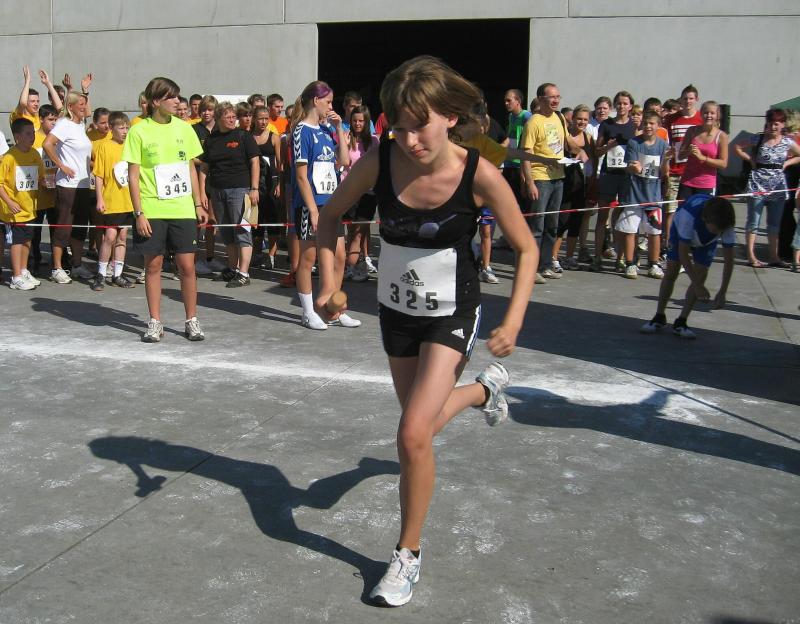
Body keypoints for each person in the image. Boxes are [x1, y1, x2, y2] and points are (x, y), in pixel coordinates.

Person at [315, 55, 538, 608]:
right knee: (419, 428)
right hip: (396, 314)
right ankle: (484, 391)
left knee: (413, 433)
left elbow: (527, 248)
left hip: (452, 314)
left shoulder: (479, 173)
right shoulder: (379, 160)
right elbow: (329, 216)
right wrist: (331, 282)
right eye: (399, 126)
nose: (410, 139)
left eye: (421, 125)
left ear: (450, 117)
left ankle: (407, 555)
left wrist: (512, 320)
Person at [122, 76, 208, 342]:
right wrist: (139, 213)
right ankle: (155, 322)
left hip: (182, 209)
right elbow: (133, 176)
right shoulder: (139, 131)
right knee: (153, 265)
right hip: (152, 209)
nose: (177, 102)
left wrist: (198, 202)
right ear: (156, 101)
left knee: (187, 266)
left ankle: (191, 320)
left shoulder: (185, 128)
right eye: (171, 97)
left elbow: (190, 168)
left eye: (178, 96)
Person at [290, 80, 359, 330]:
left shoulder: (326, 130)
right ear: (315, 101)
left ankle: (334, 308)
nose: (331, 106)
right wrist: (312, 210)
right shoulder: (301, 131)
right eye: (328, 102)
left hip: (331, 205)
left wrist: (339, 129)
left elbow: (344, 161)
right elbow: (301, 176)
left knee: (339, 257)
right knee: (308, 258)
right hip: (311, 205)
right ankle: (308, 311)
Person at [640, 195, 735, 339]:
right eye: (716, 231)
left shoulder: (725, 223)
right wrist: (697, 286)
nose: (720, 233)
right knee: (672, 271)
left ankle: (681, 321)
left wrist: (723, 291)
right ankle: (659, 316)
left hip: (707, 242)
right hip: (680, 232)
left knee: (701, 274)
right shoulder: (688, 217)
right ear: (705, 219)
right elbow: (683, 254)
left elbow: (729, 261)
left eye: (721, 232)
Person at [520, 82, 579, 281]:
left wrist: (580, 150)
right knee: (537, 226)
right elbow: (525, 154)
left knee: (552, 226)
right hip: (541, 178)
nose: (555, 100)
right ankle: (532, 268)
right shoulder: (533, 122)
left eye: (557, 97)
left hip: (558, 177)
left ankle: (546, 264)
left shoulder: (559, 117)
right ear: (540, 99)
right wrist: (529, 182)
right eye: (551, 97)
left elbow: (567, 142)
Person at [198, 101, 260, 287]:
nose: (233, 120)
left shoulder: (243, 136)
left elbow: (255, 162)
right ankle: (233, 268)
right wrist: (202, 192)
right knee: (226, 232)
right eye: (228, 117)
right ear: (219, 118)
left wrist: (254, 188)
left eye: (234, 117)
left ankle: (244, 273)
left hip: (240, 189)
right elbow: (204, 167)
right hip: (217, 191)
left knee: (242, 230)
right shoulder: (212, 139)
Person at [734, 108, 800, 267]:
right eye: (770, 123)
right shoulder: (758, 138)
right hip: (758, 183)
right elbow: (737, 147)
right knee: (753, 222)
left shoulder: (787, 142)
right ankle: (751, 256)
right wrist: (750, 159)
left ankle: (774, 256)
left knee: (774, 224)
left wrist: (787, 163)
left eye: (777, 124)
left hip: (777, 185)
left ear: (783, 124)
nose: (773, 127)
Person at [42, 91, 94, 283]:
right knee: (64, 226)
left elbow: (88, 112)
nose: (84, 107)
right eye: (80, 103)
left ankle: (77, 265)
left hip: (83, 184)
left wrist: (85, 91)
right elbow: (47, 144)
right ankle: (57, 268)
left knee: (80, 226)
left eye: (84, 103)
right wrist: (61, 165)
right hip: (67, 185)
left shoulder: (80, 125)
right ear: (70, 106)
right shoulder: (63, 124)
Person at [617, 110, 670, 279]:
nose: (648, 126)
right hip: (634, 195)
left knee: (654, 232)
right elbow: (629, 166)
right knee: (630, 230)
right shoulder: (634, 143)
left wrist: (666, 160)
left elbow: (664, 173)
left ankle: (654, 264)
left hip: (653, 196)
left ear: (658, 126)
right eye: (645, 123)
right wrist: (634, 168)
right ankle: (630, 263)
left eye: (652, 123)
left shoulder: (663, 145)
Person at [591, 90, 637, 272]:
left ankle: (621, 258)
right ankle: (597, 256)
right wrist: (607, 146)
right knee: (602, 216)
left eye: (625, 103)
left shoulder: (634, 126)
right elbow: (596, 151)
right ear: (614, 105)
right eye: (619, 103)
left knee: (622, 218)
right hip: (608, 175)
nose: (621, 106)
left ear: (630, 106)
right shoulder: (607, 124)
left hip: (626, 176)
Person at [90, 111, 136, 291]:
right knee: (109, 236)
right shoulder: (104, 147)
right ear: (111, 128)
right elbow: (99, 175)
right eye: (121, 128)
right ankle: (101, 273)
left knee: (122, 237)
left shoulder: (130, 146)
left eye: (127, 128)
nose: (125, 131)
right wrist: (100, 198)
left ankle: (118, 274)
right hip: (111, 199)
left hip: (127, 200)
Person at [0, 118, 45, 290]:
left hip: (30, 208)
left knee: (27, 240)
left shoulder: (35, 154)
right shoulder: (9, 157)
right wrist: (9, 202)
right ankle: (16, 276)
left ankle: (24, 270)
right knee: (17, 242)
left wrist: (44, 183)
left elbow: (40, 177)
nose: (32, 136)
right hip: (14, 210)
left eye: (33, 133)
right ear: (17, 136)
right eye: (28, 134)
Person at [341, 105, 380, 282]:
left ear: (366, 122)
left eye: (361, 121)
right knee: (350, 230)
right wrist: (344, 142)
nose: (357, 124)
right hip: (348, 189)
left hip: (368, 192)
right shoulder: (346, 138)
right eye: (355, 120)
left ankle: (353, 265)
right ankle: (350, 266)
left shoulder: (374, 141)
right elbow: (342, 161)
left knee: (359, 231)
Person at [663, 85, 702, 253]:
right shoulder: (671, 119)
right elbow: (666, 143)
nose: (688, 101)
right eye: (685, 98)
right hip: (674, 171)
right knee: (670, 209)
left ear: (696, 100)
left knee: (691, 209)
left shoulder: (701, 119)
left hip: (694, 172)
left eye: (691, 98)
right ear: (680, 100)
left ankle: (690, 243)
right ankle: (668, 245)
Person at [251, 105, 283, 270]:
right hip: (255, 185)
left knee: (272, 219)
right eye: (260, 119)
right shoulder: (249, 137)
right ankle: (257, 254)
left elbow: (280, 164)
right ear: (254, 119)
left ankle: (271, 255)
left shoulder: (274, 137)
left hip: (271, 183)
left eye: (266, 119)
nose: (263, 122)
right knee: (256, 220)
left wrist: (279, 184)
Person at [678, 100, 729, 197]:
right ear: (701, 114)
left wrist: (703, 158)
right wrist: (688, 151)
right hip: (687, 182)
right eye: (706, 113)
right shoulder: (692, 131)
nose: (708, 115)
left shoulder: (722, 136)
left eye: (712, 113)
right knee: (684, 207)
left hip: (706, 184)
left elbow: (723, 164)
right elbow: (680, 156)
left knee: (704, 207)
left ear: (717, 116)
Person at [31, 104, 59, 273]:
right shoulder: (33, 138)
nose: (53, 123)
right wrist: (41, 181)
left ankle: (59, 261)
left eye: (55, 119)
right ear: (41, 119)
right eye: (50, 119)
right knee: (35, 231)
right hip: (38, 194)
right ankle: (35, 260)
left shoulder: (58, 137)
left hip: (55, 193)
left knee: (57, 229)